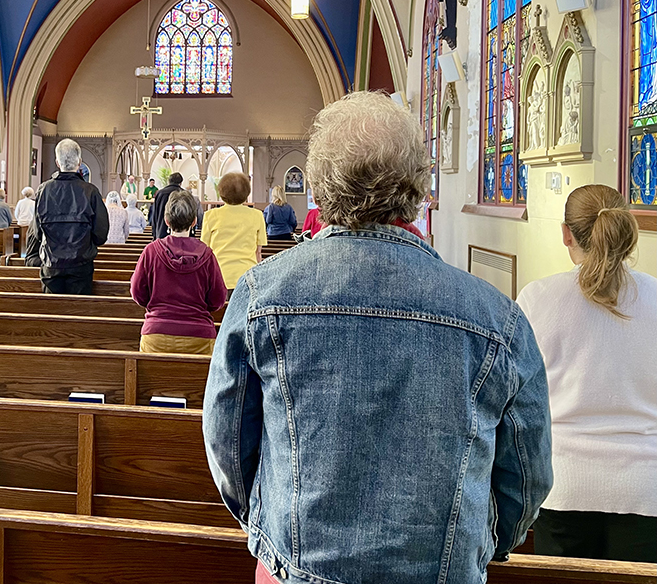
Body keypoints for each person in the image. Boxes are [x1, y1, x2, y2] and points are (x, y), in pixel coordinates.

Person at [203, 91, 552, 584]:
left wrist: (272, 528)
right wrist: (475, 547)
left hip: (295, 571)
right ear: (419, 185)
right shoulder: (497, 319)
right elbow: (527, 476)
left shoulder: (263, 296)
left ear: (320, 188)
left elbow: (227, 444)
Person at [518, 184, 656, 563]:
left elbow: (516, 396)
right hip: (645, 488)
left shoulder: (538, 298)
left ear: (566, 234)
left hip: (565, 485)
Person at [131, 190, 227, 356]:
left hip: (157, 333)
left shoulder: (151, 251)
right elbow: (218, 299)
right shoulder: (207, 254)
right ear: (194, 221)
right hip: (200, 335)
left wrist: (155, 306)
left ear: (166, 221)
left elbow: (137, 292)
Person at [30, 139, 109, 295]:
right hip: (81, 265)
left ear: (57, 163)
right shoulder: (91, 192)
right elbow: (101, 235)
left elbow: (37, 232)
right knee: (78, 314)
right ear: (79, 162)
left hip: (51, 265)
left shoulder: (43, 190)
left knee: (52, 316)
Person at [200, 172, 267, 291]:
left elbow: (205, 250)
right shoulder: (257, 215)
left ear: (221, 192)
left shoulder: (211, 215)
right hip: (247, 277)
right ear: (247, 193)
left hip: (218, 276)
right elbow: (258, 252)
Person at [149, 172, 184, 240]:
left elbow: (155, 214)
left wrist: (154, 233)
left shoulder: (160, 193)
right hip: (180, 235)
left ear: (169, 181)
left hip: (161, 232)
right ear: (180, 182)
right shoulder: (184, 194)